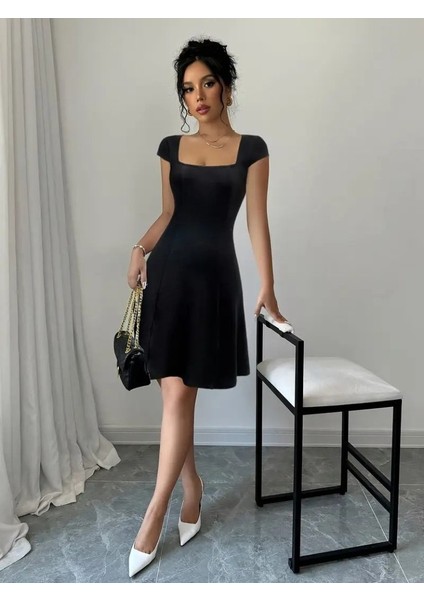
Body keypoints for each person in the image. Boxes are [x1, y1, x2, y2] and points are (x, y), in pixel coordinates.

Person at [126, 37, 289, 577]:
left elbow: (256, 222)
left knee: (179, 398)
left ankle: (154, 515)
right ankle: (191, 486)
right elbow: (168, 213)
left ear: (227, 88)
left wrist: (268, 285)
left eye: (207, 84)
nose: (197, 96)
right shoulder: (170, 146)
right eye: (188, 88)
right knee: (175, 397)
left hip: (213, 284)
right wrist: (140, 248)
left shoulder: (252, 149)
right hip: (168, 278)